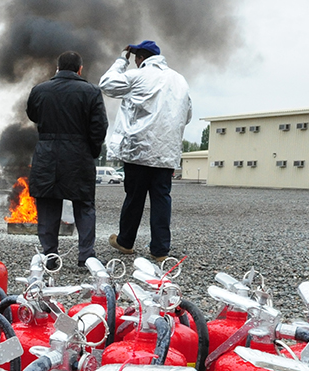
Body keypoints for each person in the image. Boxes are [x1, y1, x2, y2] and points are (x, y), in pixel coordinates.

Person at [99, 40, 191, 262]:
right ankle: (160, 251)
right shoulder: (179, 80)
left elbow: (106, 83)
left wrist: (122, 60)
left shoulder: (138, 75)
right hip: (166, 154)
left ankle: (125, 242)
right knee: (161, 199)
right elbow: (187, 115)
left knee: (135, 198)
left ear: (140, 58)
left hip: (139, 151)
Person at [27, 51, 108, 268]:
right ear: (80, 69)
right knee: (84, 205)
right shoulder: (91, 91)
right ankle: (86, 256)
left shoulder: (39, 90)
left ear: (57, 68)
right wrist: (90, 150)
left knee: (47, 204)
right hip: (78, 155)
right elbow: (99, 126)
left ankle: (50, 256)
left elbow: (33, 115)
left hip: (47, 154)